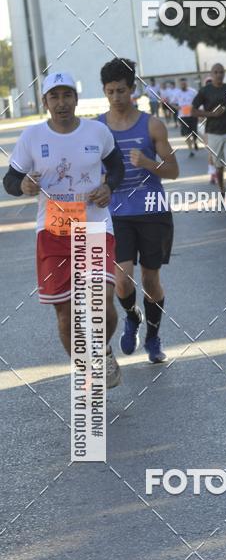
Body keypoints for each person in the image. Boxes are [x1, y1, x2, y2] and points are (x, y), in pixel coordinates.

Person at [2, 71, 125, 386]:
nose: (61, 103)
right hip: (52, 232)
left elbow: (117, 167)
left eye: (66, 95)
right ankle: (85, 371)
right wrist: (24, 185)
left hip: (95, 224)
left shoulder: (98, 132)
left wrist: (109, 186)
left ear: (76, 99)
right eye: (54, 97)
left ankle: (102, 350)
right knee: (66, 315)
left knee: (102, 304)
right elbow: (10, 180)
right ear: (44, 102)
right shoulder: (31, 137)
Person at [99, 58, 179, 363]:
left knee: (150, 280)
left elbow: (173, 170)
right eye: (110, 92)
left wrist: (147, 163)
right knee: (121, 278)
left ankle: (154, 337)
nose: (117, 97)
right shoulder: (97, 128)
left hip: (151, 209)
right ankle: (132, 315)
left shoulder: (152, 124)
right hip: (115, 212)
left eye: (121, 90)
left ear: (132, 90)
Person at [192, 63, 226, 212]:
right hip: (214, 133)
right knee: (219, 168)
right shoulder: (205, 91)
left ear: (224, 73)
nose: (219, 74)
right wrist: (211, 114)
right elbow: (193, 110)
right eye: (216, 72)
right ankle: (222, 192)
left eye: (221, 72)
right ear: (211, 73)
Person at [173, 77, 198, 157]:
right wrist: (177, 107)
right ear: (180, 85)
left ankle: (195, 142)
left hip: (192, 115)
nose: (183, 85)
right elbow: (172, 103)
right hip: (183, 116)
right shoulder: (177, 93)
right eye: (182, 84)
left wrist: (196, 108)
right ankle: (190, 150)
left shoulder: (193, 92)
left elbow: (198, 101)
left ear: (187, 83)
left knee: (194, 132)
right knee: (187, 133)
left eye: (184, 83)